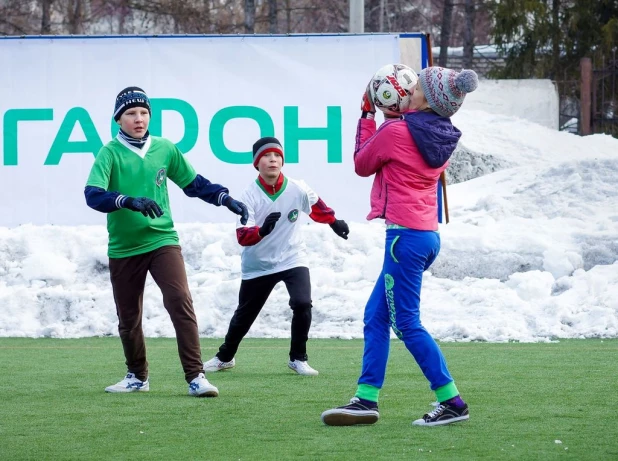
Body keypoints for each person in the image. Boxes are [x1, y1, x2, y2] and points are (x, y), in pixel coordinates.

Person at [321, 67, 478, 426]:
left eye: (416, 86)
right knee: (375, 316)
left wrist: (366, 113)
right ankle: (366, 399)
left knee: (406, 322)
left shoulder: (396, 130)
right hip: (425, 236)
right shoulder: (442, 134)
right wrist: (395, 112)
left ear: (426, 98)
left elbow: (362, 163)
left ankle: (451, 400)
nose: (409, 87)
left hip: (403, 239)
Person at [84, 86, 249, 397]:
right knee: (128, 318)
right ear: (118, 120)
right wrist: (127, 201)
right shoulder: (109, 153)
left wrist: (226, 199)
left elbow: (194, 184)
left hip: (162, 240)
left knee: (179, 301)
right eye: (131, 113)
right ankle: (137, 376)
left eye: (144, 112)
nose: (139, 118)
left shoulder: (165, 148)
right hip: (123, 247)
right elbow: (93, 195)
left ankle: (196, 377)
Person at [203, 136, 350, 376]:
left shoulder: (297, 187)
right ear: (257, 164)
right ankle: (225, 357)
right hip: (258, 263)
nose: (272, 160)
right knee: (245, 314)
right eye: (266, 156)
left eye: (277, 156)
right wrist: (261, 231)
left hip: (293, 257)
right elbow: (242, 235)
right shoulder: (248, 196)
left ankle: (298, 358)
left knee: (302, 303)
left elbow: (317, 206)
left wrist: (334, 221)